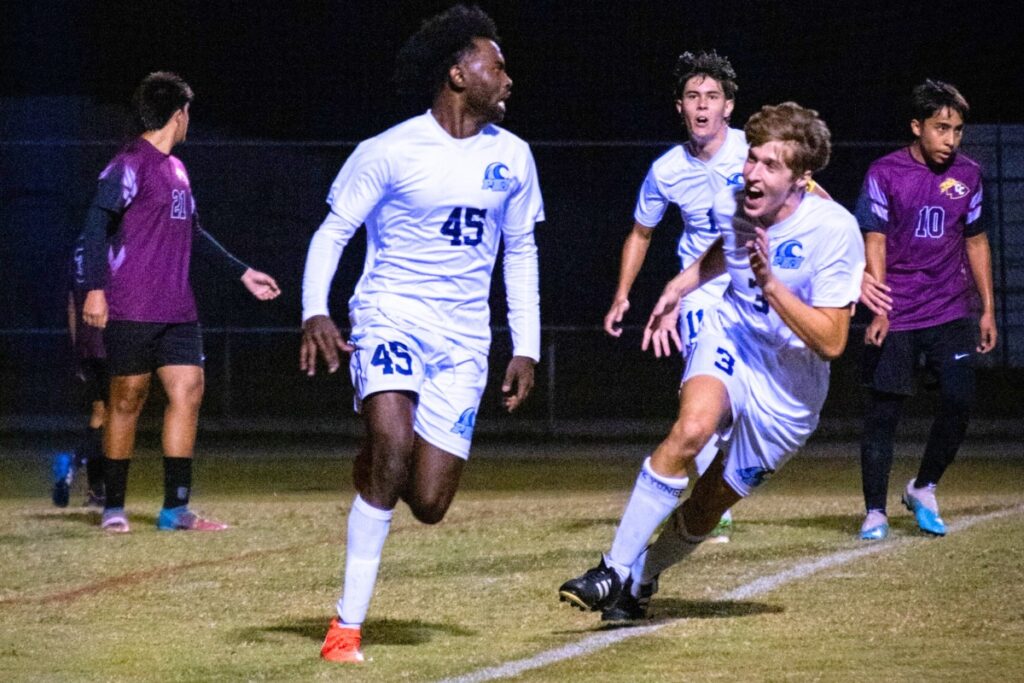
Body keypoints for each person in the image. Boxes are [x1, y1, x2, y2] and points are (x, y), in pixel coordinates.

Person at [300, 5, 543, 664]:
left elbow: (521, 252)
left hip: (463, 344)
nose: (508, 79)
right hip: (391, 317)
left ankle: (379, 463)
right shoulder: (389, 150)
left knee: (430, 501)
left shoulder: (514, 157)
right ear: (459, 74)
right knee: (392, 443)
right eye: (497, 66)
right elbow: (333, 232)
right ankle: (345, 628)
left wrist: (526, 345)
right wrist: (315, 310)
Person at [559, 102, 864, 621]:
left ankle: (642, 576)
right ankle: (612, 569)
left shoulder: (834, 230)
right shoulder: (733, 201)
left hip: (790, 390)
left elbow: (832, 342)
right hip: (734, 336)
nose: (753, 174)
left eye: (770, 165)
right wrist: (679, 285)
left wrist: (770, 285)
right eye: (752, 159)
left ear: (801, 179)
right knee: (692, 428)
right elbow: (728, 247)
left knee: (707, 505)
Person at [76, 71, 281, 534]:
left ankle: (175, 509)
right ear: (179, 114)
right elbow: (95, 225)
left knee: (189, 391)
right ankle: (113, 507)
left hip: (178, 310)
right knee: (126, 400)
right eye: (188, 112)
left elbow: (193, 231)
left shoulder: (178, 169)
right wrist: (95, 288)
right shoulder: (129, 163)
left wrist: (242, 272)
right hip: (131, 305)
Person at [603, 50, 747, 546]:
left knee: (746, 406)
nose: (702, 105)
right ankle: (711, 502)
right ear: (680, 107)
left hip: (753, 287)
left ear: (728, 106)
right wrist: (623, 295)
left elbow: (808, 195)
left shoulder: (754, 152)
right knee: (705, 400)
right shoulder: (666, 170)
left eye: (712, 96)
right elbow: (641, 232)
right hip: (699, 291)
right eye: (692, 96)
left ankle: (721, 479)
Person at [856, 80, 996, 541]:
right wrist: (880, 308)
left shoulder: (970, 175)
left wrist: (987, 309)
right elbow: (875, 238)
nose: (950, 139)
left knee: (959, 399)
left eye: (957, 130)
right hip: (897, 311)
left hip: (950, 309)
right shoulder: (885, 172)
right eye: (941, 128)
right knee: (884, 411)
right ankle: (875, 512)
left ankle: (924, 487)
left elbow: (976, 241)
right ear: (917, 126)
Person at [52, 256, 108, 509]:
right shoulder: (110, 246)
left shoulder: (80, 249)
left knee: (100, 414)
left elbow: (71, 306)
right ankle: (74, 463)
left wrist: (78, 352)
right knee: (114, 416)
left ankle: (96, 492)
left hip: (86, 344)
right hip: (110, 340)